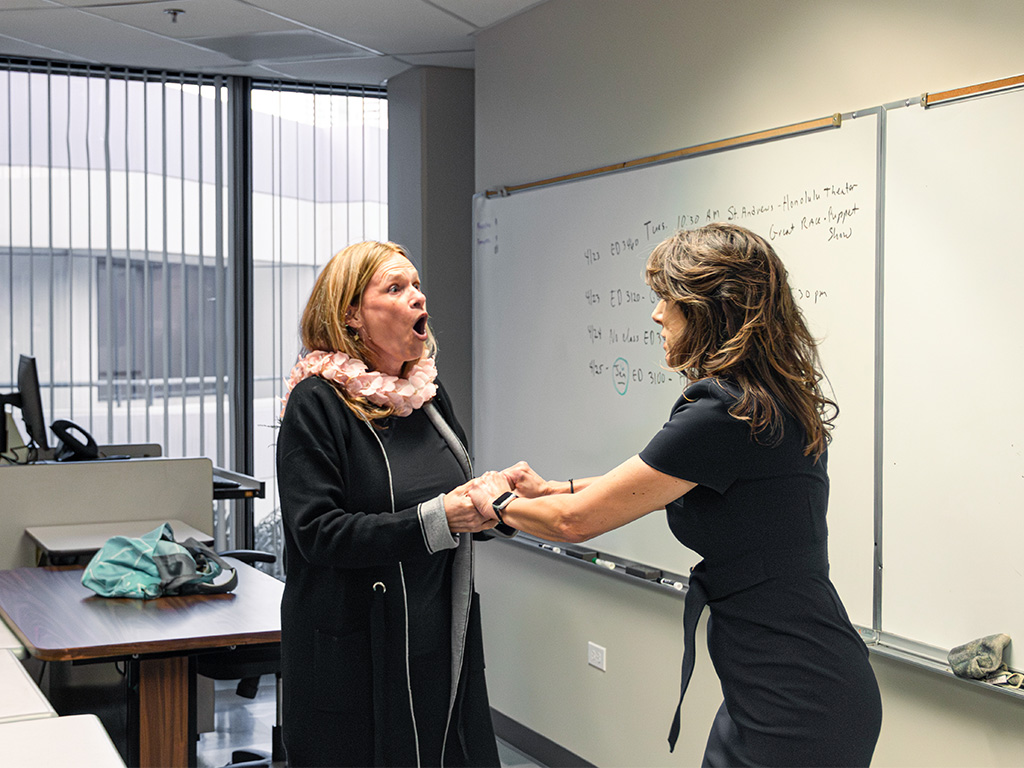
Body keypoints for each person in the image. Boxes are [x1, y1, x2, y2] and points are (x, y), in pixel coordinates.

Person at [467, 223, 883, 767]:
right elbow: (655, 481)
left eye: (668, 299)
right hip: (785, 675)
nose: (657, 314)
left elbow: (575, 523)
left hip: (795, 691)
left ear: (711, 309)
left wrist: (494, 503)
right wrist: (550, 489)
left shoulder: (724, 414)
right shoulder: (761, 400)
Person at [276, 240, 501, 768]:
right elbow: (318, 532)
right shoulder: (317, 402)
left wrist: (496, 506)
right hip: (356, 648)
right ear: (351, 314)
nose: (418, 298)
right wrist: (437, 520)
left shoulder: (425, 394)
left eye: (417, 286)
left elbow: (453, 501)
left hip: (437, 634)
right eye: (396, 288)